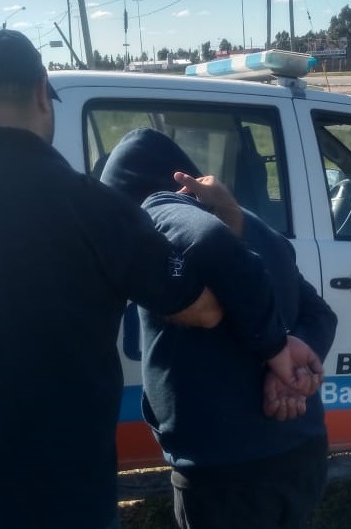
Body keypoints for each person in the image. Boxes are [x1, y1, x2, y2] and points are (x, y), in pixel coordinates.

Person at [0, 30, 315, 529]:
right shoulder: (97, 210)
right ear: (40, 93)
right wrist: (226, 225)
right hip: (60, 499)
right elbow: (202, 310)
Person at [101, 127, 338, 529]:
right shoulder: (257, 227)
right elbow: (320, 315)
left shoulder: (157, 209)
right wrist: (291, 369)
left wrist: (275, 351)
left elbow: (211, 240)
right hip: (299, 450)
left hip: (227, 469)